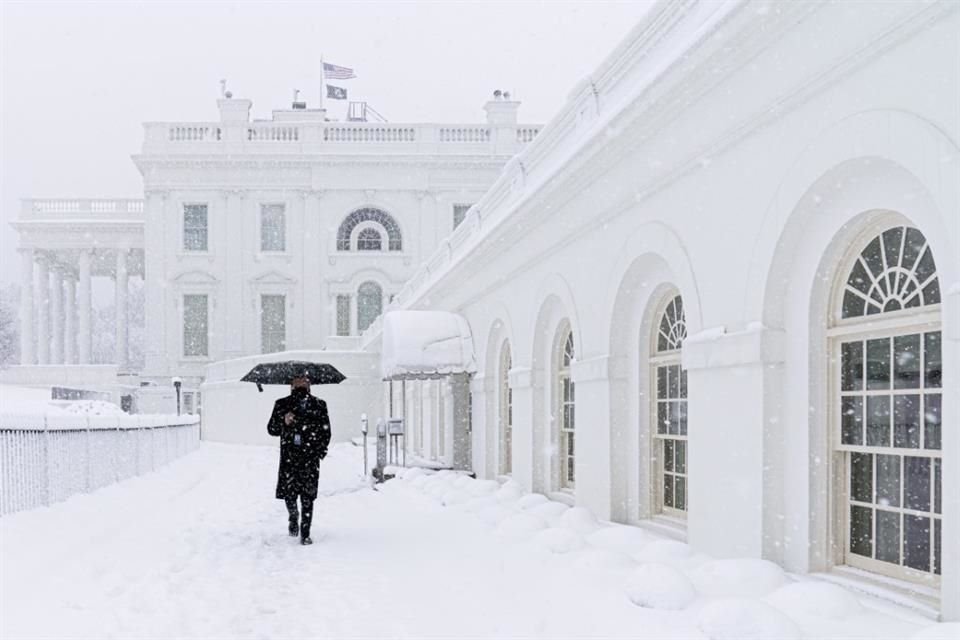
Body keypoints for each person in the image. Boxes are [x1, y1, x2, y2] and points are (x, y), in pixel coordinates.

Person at [267, 375, 331, 545]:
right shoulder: (282, 404)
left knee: (308, 497)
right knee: (290, 494)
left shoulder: (319, 405)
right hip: (290, 458)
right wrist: (283, 420)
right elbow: (271, 429)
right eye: (297, 380)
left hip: (310, 458)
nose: (301, 383)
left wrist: (319, 451)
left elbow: (326, 431)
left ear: (309, 384)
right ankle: (293, 516)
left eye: (304, 380)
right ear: (291, 384)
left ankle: (305, 533)